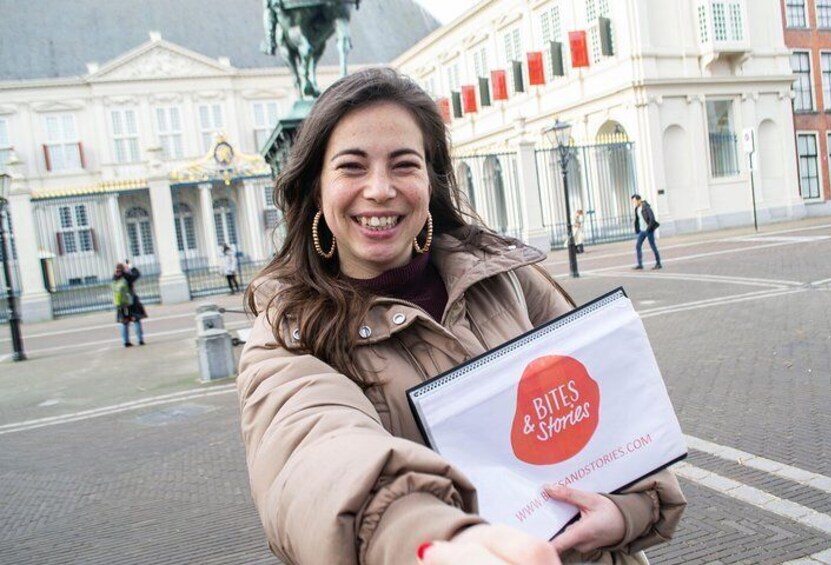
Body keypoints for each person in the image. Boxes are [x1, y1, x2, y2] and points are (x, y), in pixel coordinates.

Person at [238, 68, 685, 565]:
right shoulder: (288, 333)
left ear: (431, 181)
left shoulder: (508, 277)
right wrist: (435, 541)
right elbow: (317, 455)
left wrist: (623, 511)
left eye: (404, 164)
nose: (381, 189)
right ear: (316, 188)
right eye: (352, 167)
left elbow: (616, 417)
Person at [112, 261, 146, 347]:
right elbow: (137, 274)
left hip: (121, 303)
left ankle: (126, 341)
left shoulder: (115, 277)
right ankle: (140, 340)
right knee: (136, 319)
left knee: (124, 321)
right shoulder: (127, 276)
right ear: (124, 269)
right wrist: (131, 267)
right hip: (131, 302)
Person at [631, 194, 662, 270]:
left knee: (653, 246)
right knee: (638, 246)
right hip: (642, 231)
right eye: (633, 202)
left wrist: (648, 229)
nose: (634, 203)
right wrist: (637, 228)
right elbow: (638, 219)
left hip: (648, 230)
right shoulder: (637, 209)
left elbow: (652, 219)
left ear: (639, 200)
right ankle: (640, 264)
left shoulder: (646, 207)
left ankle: (658, 263)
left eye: (634, 201)